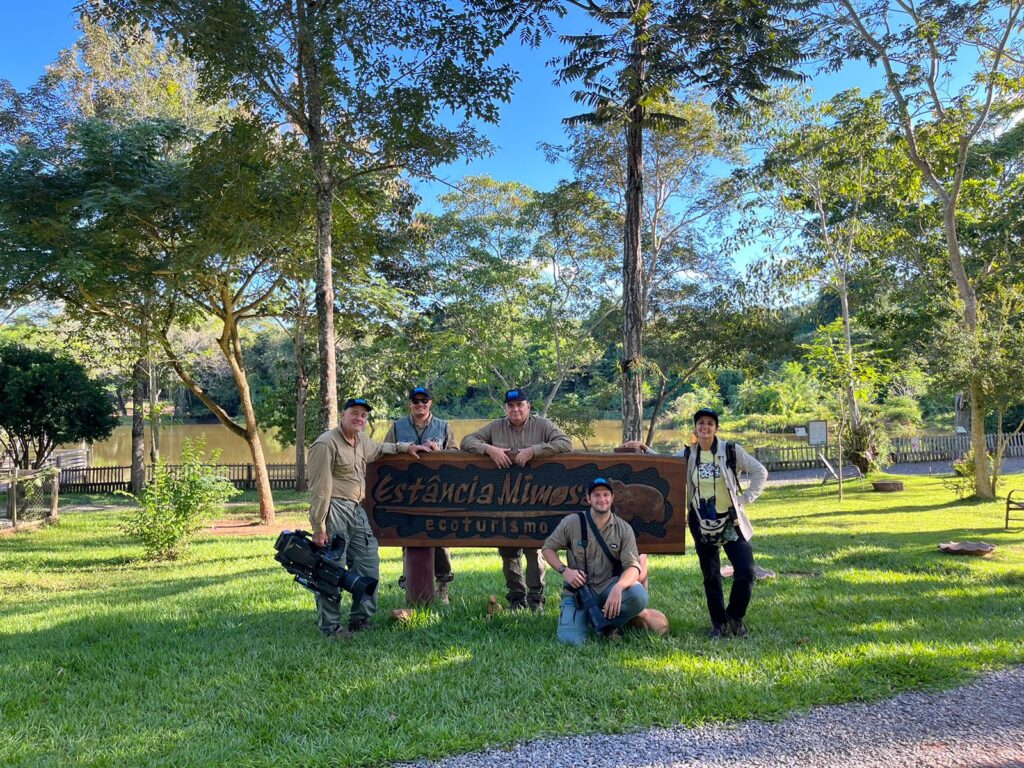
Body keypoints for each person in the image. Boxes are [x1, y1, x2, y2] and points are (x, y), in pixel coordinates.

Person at [623, 407, 767, 638]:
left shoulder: (730, 450)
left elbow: (760, 470)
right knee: (710, 574)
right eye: (701, 423)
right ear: (696, 429)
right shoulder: (690, 454)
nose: (705, 427)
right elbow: (667, 463)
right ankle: (718, 624)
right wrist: (645, 449)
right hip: (701, 521)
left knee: (746, 571)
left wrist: (744, 499)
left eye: (710, 423)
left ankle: (734, 617)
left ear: (716, 428)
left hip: (730, 521)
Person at [306, 397, 432, 639]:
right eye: (355, 413)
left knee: (368, 564)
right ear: (343, 415)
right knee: (331, 569)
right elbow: (320, 488)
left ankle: (361, 619)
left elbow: (381, 449)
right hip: (334, 510)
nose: (359, 419)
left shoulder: (361, 440)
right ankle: (330, 627)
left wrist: (407, 447)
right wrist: (319, 526)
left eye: (364, 416)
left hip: (356, 509)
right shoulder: (325, 444)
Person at [460, 388, 573, 611]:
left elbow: (565, 443)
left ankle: (536, 598)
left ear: (528, 406)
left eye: (520, 404)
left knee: (534, 550)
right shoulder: (495, 426)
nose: (515, 409)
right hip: (504, 500)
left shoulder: (542, 425)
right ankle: (516, 598)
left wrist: (534, 450)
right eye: (511, 405)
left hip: (535, 499)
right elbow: (466, 441)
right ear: (505, 408)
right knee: (508, 549)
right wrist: (489, 449)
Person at [541, 477, 649, 645]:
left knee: (638, 595)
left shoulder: (623, 528)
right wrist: (565, 571)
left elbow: (633, 568)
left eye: (606, 495)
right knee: (570, 641)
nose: (602, 499)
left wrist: (619, 588)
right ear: (588, 499)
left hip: (608, 587)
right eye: (597, 495)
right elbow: (547, 549)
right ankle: (590, 620)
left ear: (612, 498)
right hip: (579, 591)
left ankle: (607, 622)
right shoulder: (572, 522)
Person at [384, 386, 457, 603]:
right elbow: (385, 450)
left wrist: (439, 451)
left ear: (430, 403)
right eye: (415, 401)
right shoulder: (397, 426)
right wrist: (406, 448)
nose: (420, 405)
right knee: (408, 538)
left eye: (424, 401)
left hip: (437, 492)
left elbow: (457, 455)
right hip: (407, 493)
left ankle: (443, 585)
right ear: (410, 404)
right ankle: (411, 583)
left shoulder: (444, 426)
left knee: (440, 538)